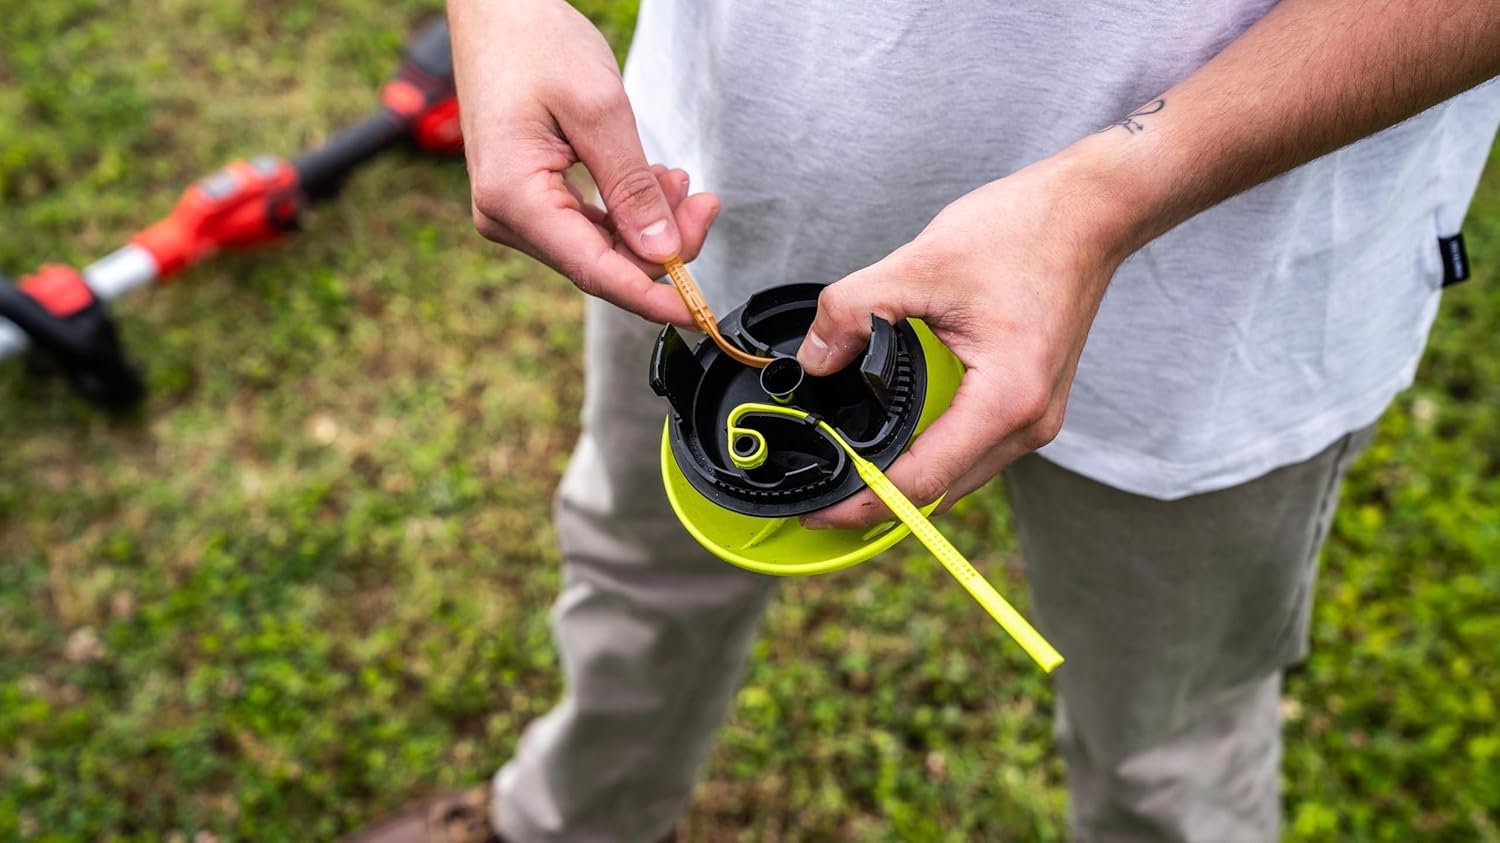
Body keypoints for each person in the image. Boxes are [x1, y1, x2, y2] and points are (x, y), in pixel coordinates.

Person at [350, 1, 1500, 841]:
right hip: (720, 203)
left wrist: (1115, 194)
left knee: (1168, 735)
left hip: (1215, 285)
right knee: (638, 583)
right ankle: (567, 821)